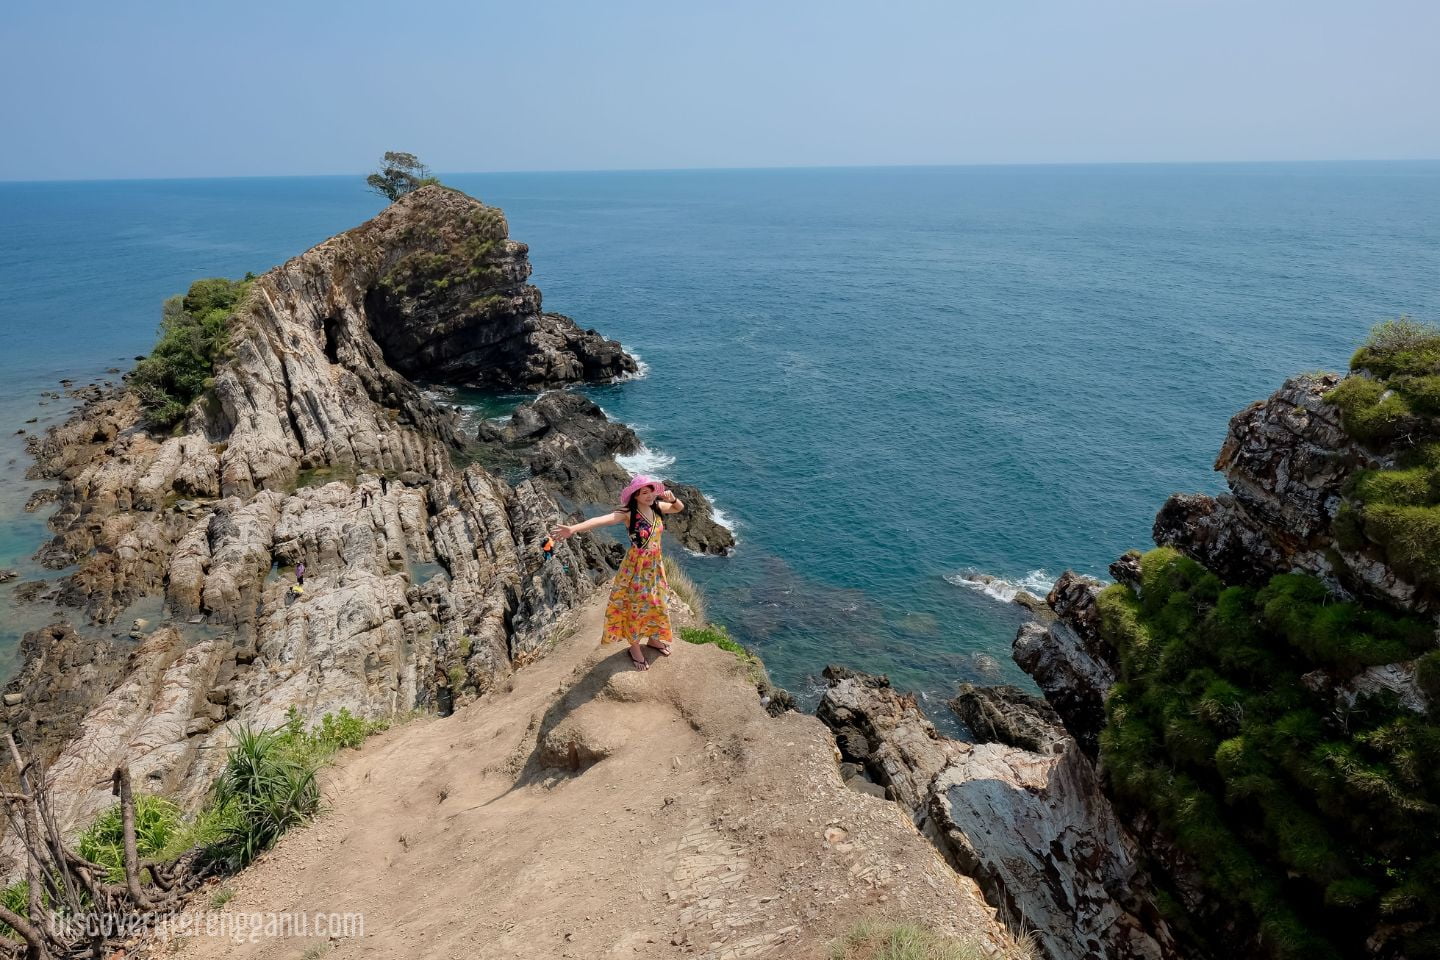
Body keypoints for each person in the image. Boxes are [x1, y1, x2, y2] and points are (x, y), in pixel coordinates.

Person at [550, 474, 685, 671]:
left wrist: (672, 499)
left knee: (657, 603)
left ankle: (654, 639)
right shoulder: (628, 513)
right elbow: (600, 520)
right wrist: (573, 529)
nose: (649, 496)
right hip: (636, 567)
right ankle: (635, 647)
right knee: (634, 606)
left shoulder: (657, 507)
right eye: (644, 493)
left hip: (655, 565)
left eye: (651, 492)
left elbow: (678, 508)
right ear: (636, 496)